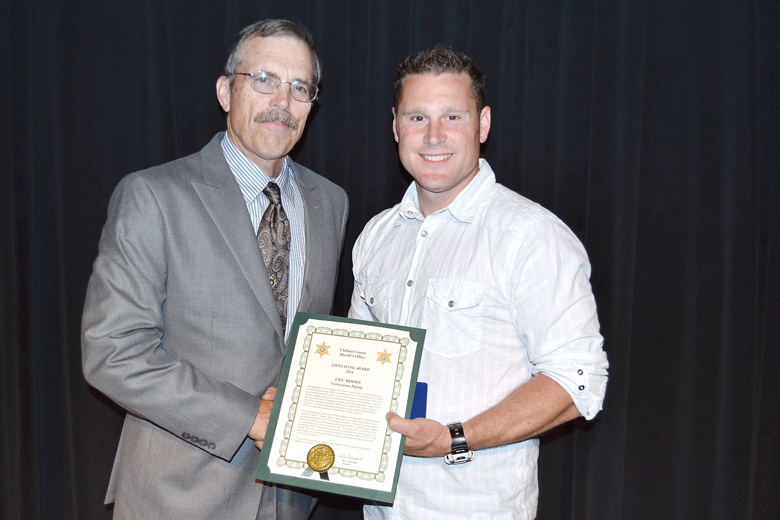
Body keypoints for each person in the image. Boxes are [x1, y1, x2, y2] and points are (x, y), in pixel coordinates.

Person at [81, 19, 348, 520]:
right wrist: (250, 416)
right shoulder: (155, 196)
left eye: (300, 88)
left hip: (290, 495)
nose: (282, 101)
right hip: (178, 496)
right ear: (227, 91)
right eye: (264, 79)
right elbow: (112, 353)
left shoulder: (329, 202)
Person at [348, 45, 608, 519]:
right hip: (381, 509)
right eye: (416, 118)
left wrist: (453, 438)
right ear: (394, 126)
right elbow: (360, 363)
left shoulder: (530, 236)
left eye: (452, 116)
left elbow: (578, 381)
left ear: (482, 124)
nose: (433, 136)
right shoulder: (375, 236)